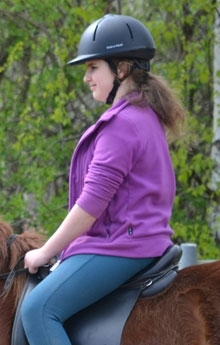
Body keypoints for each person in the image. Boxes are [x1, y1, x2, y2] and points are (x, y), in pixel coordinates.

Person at [20, 14, 186, 345]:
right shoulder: (145, 116)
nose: (86, 77)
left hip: (121, 246)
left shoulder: (122, 125)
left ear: (121, 69)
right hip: (143, 241)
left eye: (93, 67)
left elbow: (91, 206)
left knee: (37, 309)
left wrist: (45, 252)